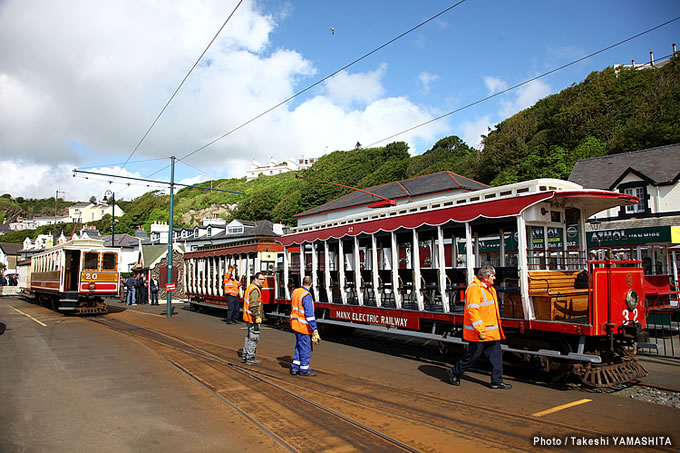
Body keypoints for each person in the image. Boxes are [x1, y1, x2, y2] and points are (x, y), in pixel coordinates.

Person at [448, 265, 511, 390]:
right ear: (485, 277)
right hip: (479, 332)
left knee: (497, 357)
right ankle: (454, 373)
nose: (495, 278)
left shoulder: (490, 289)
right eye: (492, 276)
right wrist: (480, 329)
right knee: (472, 356)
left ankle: (497, 381)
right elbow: (472, 311)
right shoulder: (474, 289)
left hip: (491, 332)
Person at [289, 276, 321, 376]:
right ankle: (304, 369)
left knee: (299, 346)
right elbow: (310, 315)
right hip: (304, 327)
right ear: (311, 284)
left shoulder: (296, 292)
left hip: (295, 324)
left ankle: (295, 367)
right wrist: (314, 329)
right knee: (306, 349)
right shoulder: (306, 295)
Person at [242, 272, 265, 365]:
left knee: (249, 336)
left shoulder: (250, 287)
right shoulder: (255, 289)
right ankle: (250, 357)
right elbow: (254, 305)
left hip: (248, 317)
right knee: (253, 337)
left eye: (264, 279)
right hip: (253, 318)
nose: (263, 281)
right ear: (256, 279)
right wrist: (257, 316)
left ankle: (245, 355)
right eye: (261, 279)